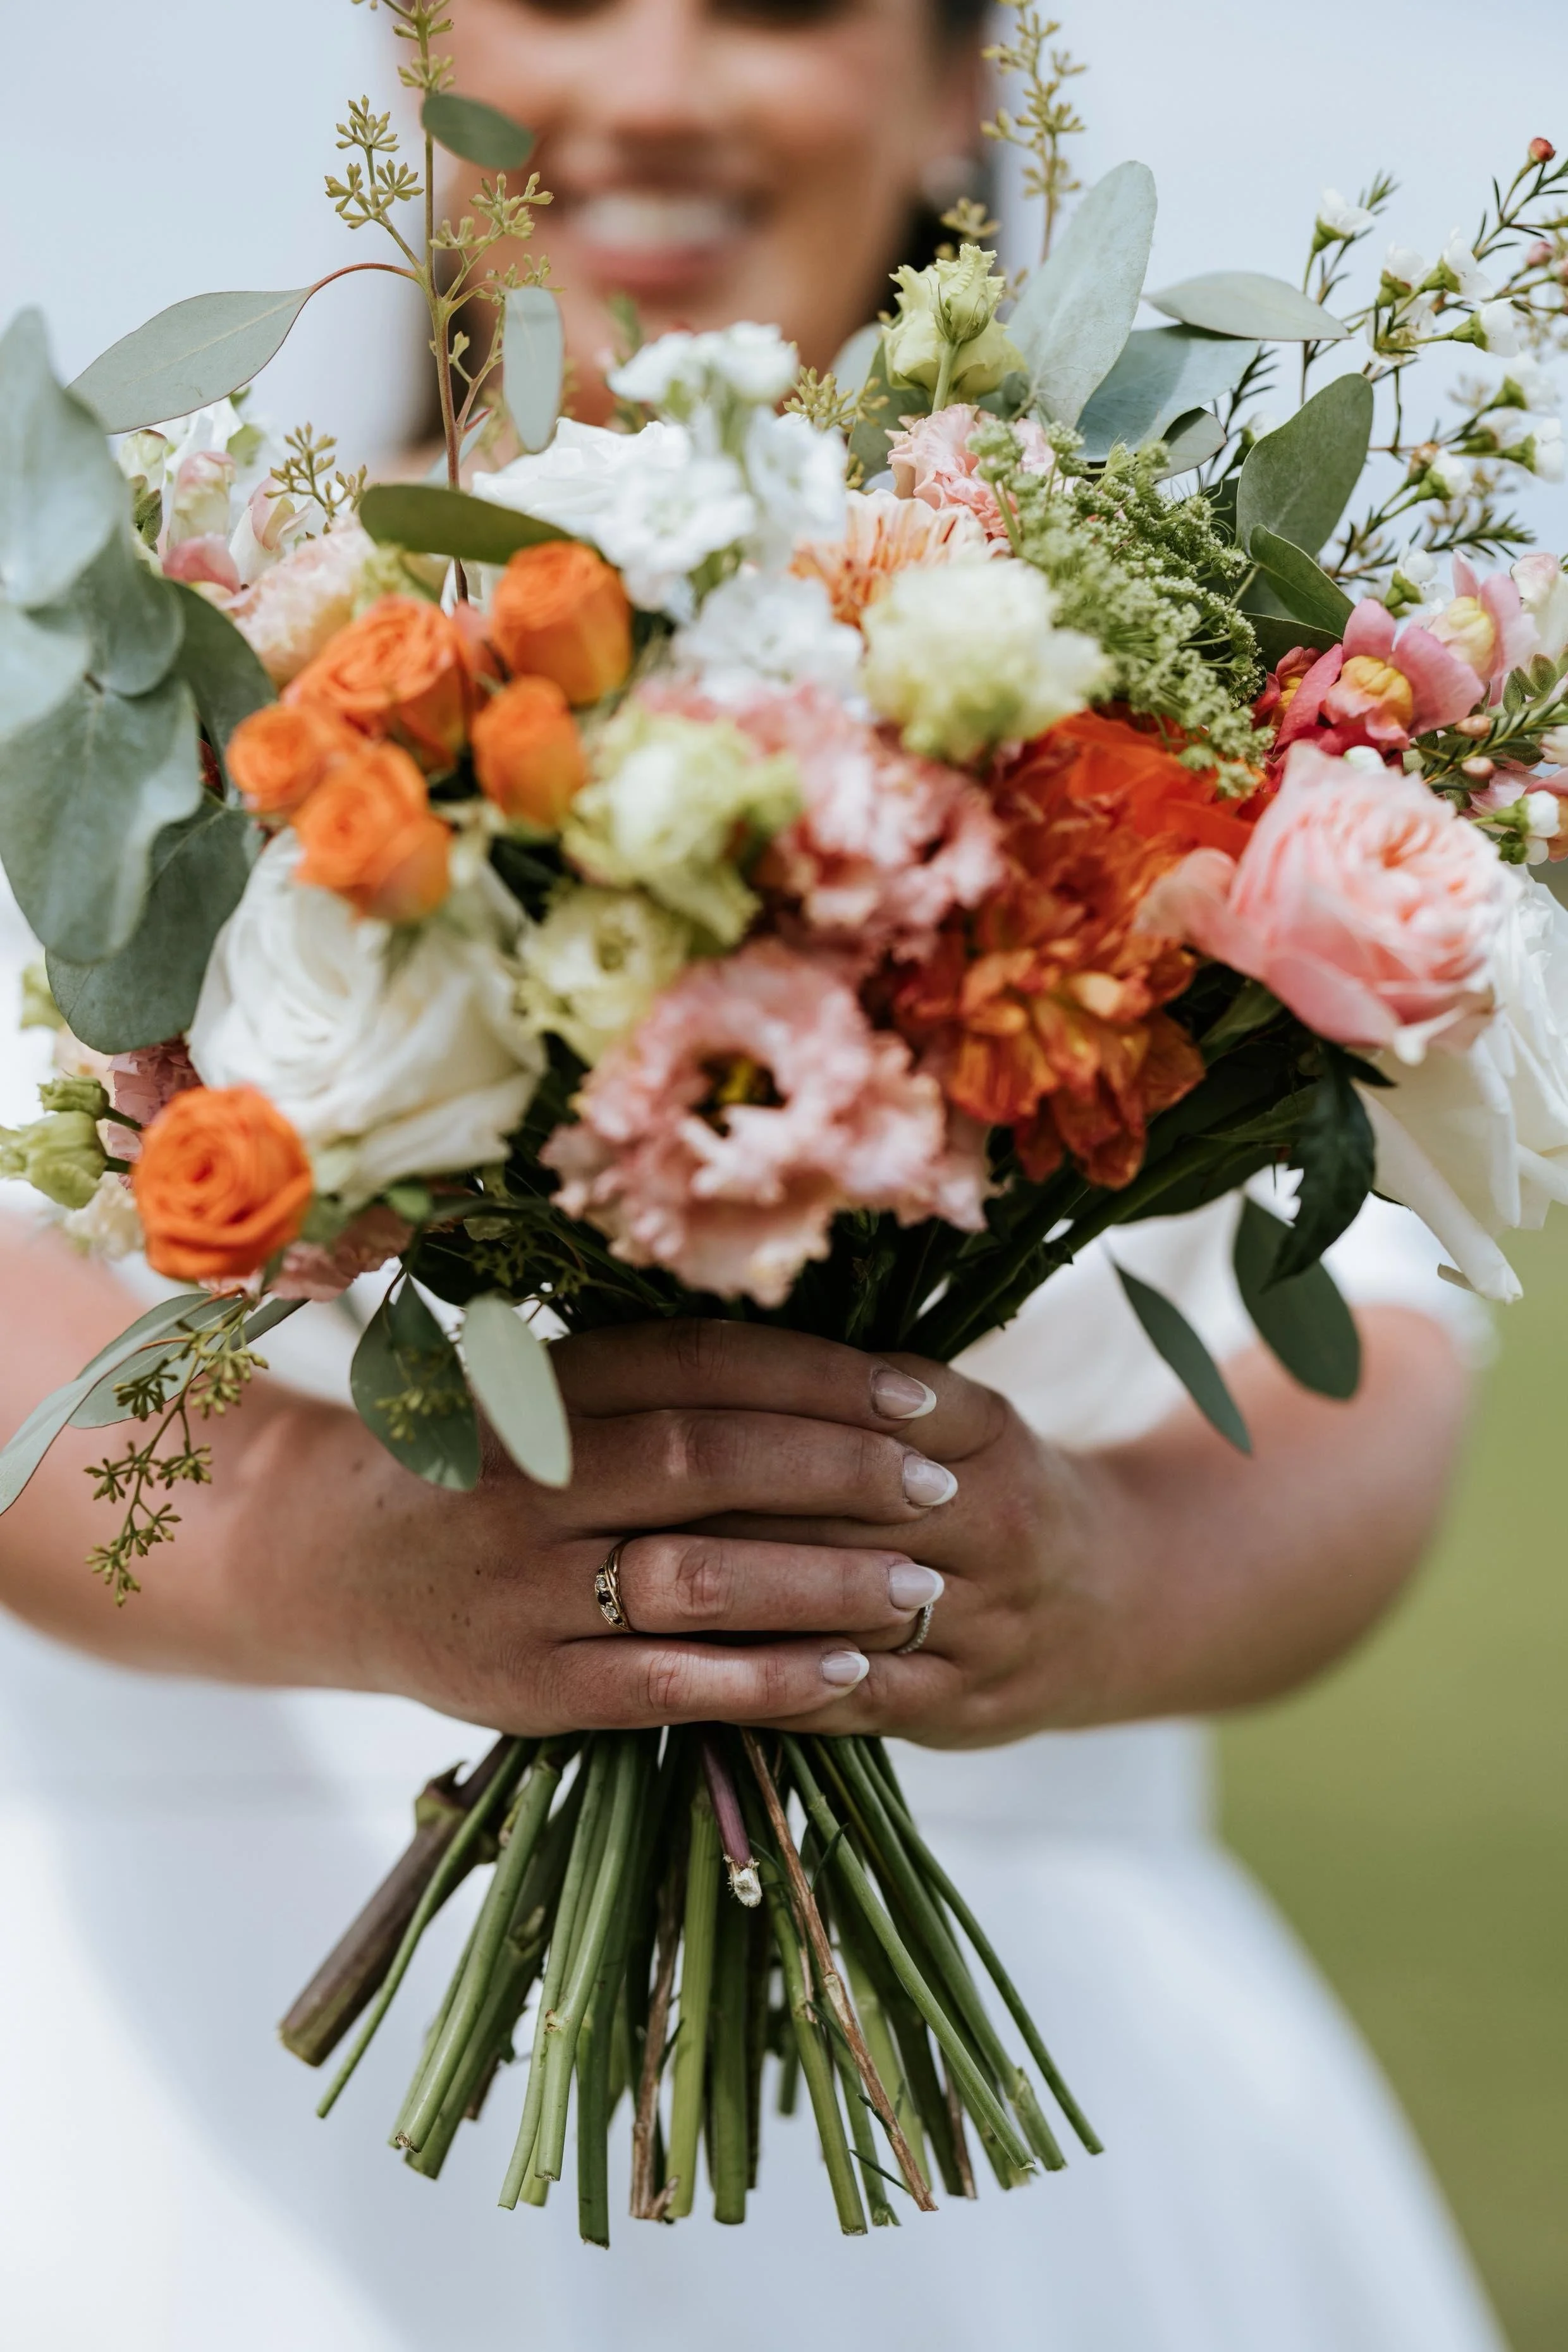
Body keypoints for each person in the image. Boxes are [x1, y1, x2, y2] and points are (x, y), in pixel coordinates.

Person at [0, 0, 1508, 2344]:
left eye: (782, 2)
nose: (656, 84)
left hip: (1016, 2189)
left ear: (950, 91)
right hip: (191, 2160)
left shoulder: (1169, 718)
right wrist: (353, 1561)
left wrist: (1094, 1583)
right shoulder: (141, 655)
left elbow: (1376, 1379)